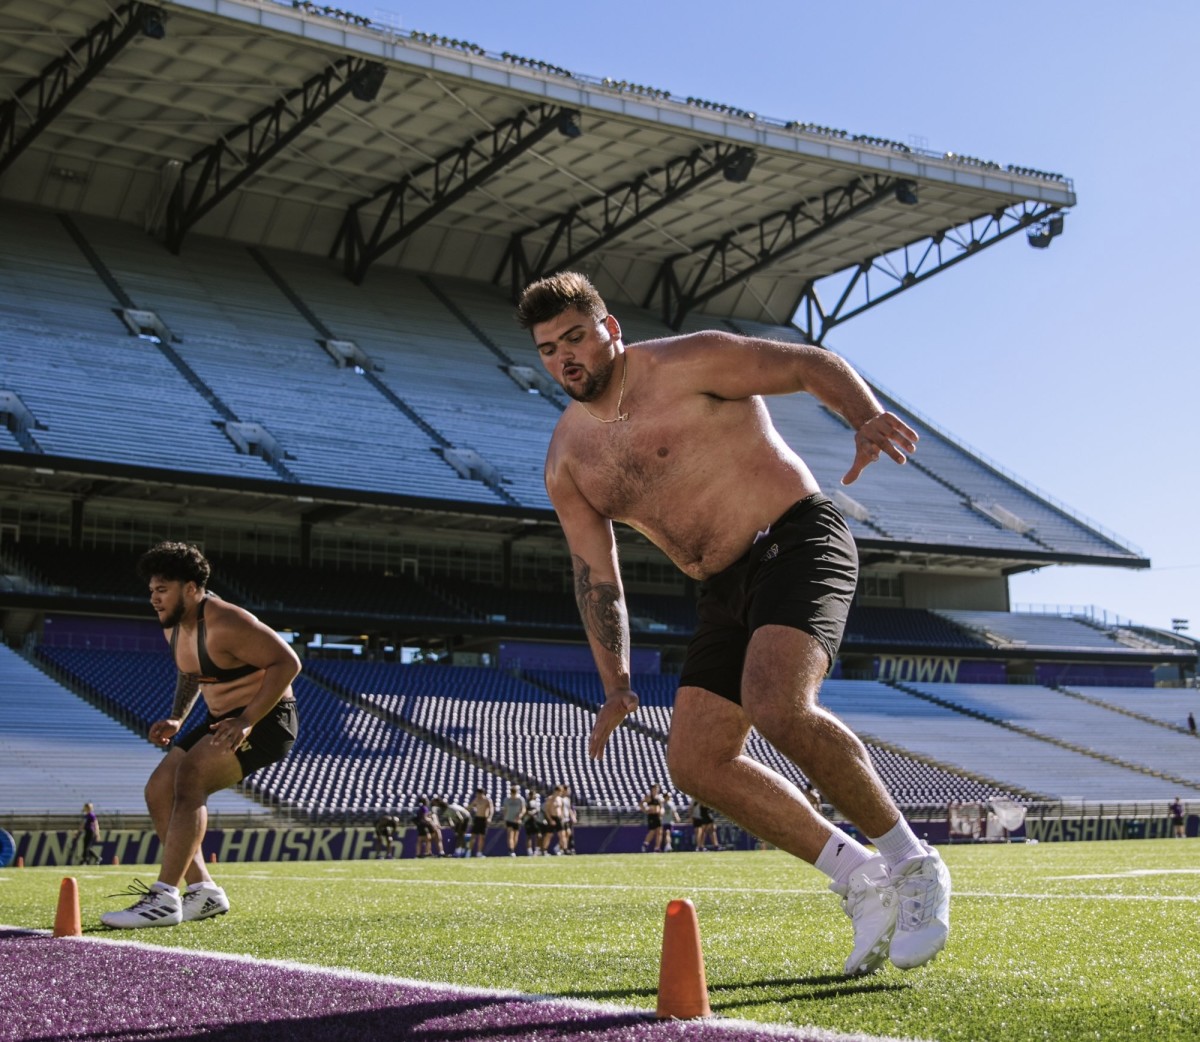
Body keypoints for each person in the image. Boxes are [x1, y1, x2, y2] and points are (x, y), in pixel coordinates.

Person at [517, 271, 951, 975]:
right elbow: (597, 576)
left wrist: (863, 416)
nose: (565, 357)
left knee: (777, 704)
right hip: (721, 586)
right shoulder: (568, 458)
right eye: (548, 349)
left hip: (796, 538)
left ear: (611, 330)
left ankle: (912, 862)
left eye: (575, 337)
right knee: (693, 762)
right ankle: (858, 877)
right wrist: (618, 683)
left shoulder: (687, 362)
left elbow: (809, 364)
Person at [102, 542, 300, 929]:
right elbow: (192, 671)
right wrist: (177, 717)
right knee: (158, 790)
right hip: (220, 716)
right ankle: (203, 892)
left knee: (190, 778)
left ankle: (163, 896)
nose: (154, 599)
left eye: (163, 590)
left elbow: (288, 662)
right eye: (151, 591)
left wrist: (246, 719)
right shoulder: (173, 626)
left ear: (191, 589)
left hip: (267, 719)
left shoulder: (227, 621)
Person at [639, 782, 667, 852]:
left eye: (657, 788)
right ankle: (645, 844)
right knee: (652, 831)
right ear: (652, 789)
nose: (656, 790)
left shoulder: (659, 798)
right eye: (654, 788)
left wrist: (662, 811)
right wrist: (645, 810)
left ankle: (657, 848)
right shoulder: (648, 797)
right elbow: (641, 803)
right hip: (651, 816)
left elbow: (662, 807)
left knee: (659, 832)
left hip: (658, 816)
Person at [468, 786, 494, 858]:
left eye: (479, 793)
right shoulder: (476, 800)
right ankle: (469, 852)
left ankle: (479, 852)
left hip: (484, 819)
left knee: (482, 837)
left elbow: (491, 809)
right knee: (473, 835)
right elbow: (470, 807)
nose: (477, 795)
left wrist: (489, 817)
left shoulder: (487, 800)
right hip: (477, 819)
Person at [501, 784, 527, 856]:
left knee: (516, 836)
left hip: (517, 820)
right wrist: (504, 819)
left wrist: (520, 815)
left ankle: (513, 849)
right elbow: (505, 810)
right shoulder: (507, 799)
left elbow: (523, 809)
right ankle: (511, 850)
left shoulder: (520, 799)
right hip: (509, 819)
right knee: (510, 835)